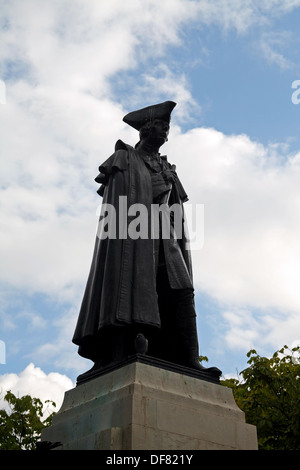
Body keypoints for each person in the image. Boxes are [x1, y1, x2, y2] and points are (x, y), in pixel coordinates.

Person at [72, 101, 221, 381]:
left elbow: (177, 208)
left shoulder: (168, 167)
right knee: (129, 288)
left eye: (167, 128)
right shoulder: (125, 158)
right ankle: (119, 351)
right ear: (145, 130)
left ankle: (190, 359)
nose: (165, 132)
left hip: (166, 238)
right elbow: (115, 204)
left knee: (183, 290)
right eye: (161, 127)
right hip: (135, 237)